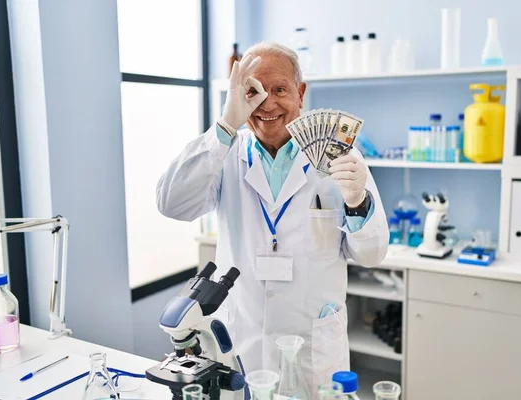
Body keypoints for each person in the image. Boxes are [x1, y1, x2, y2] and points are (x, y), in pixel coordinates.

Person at [156, 41, 388, 394]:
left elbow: (371, 254)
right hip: (242, 338)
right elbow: (172, 203)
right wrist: (225, 125)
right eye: (253, 91)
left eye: (279, 89)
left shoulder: (338, 155)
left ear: (301, 93)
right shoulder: (226, 153)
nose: (266, 103)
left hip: (311, 344)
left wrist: (357, 201)